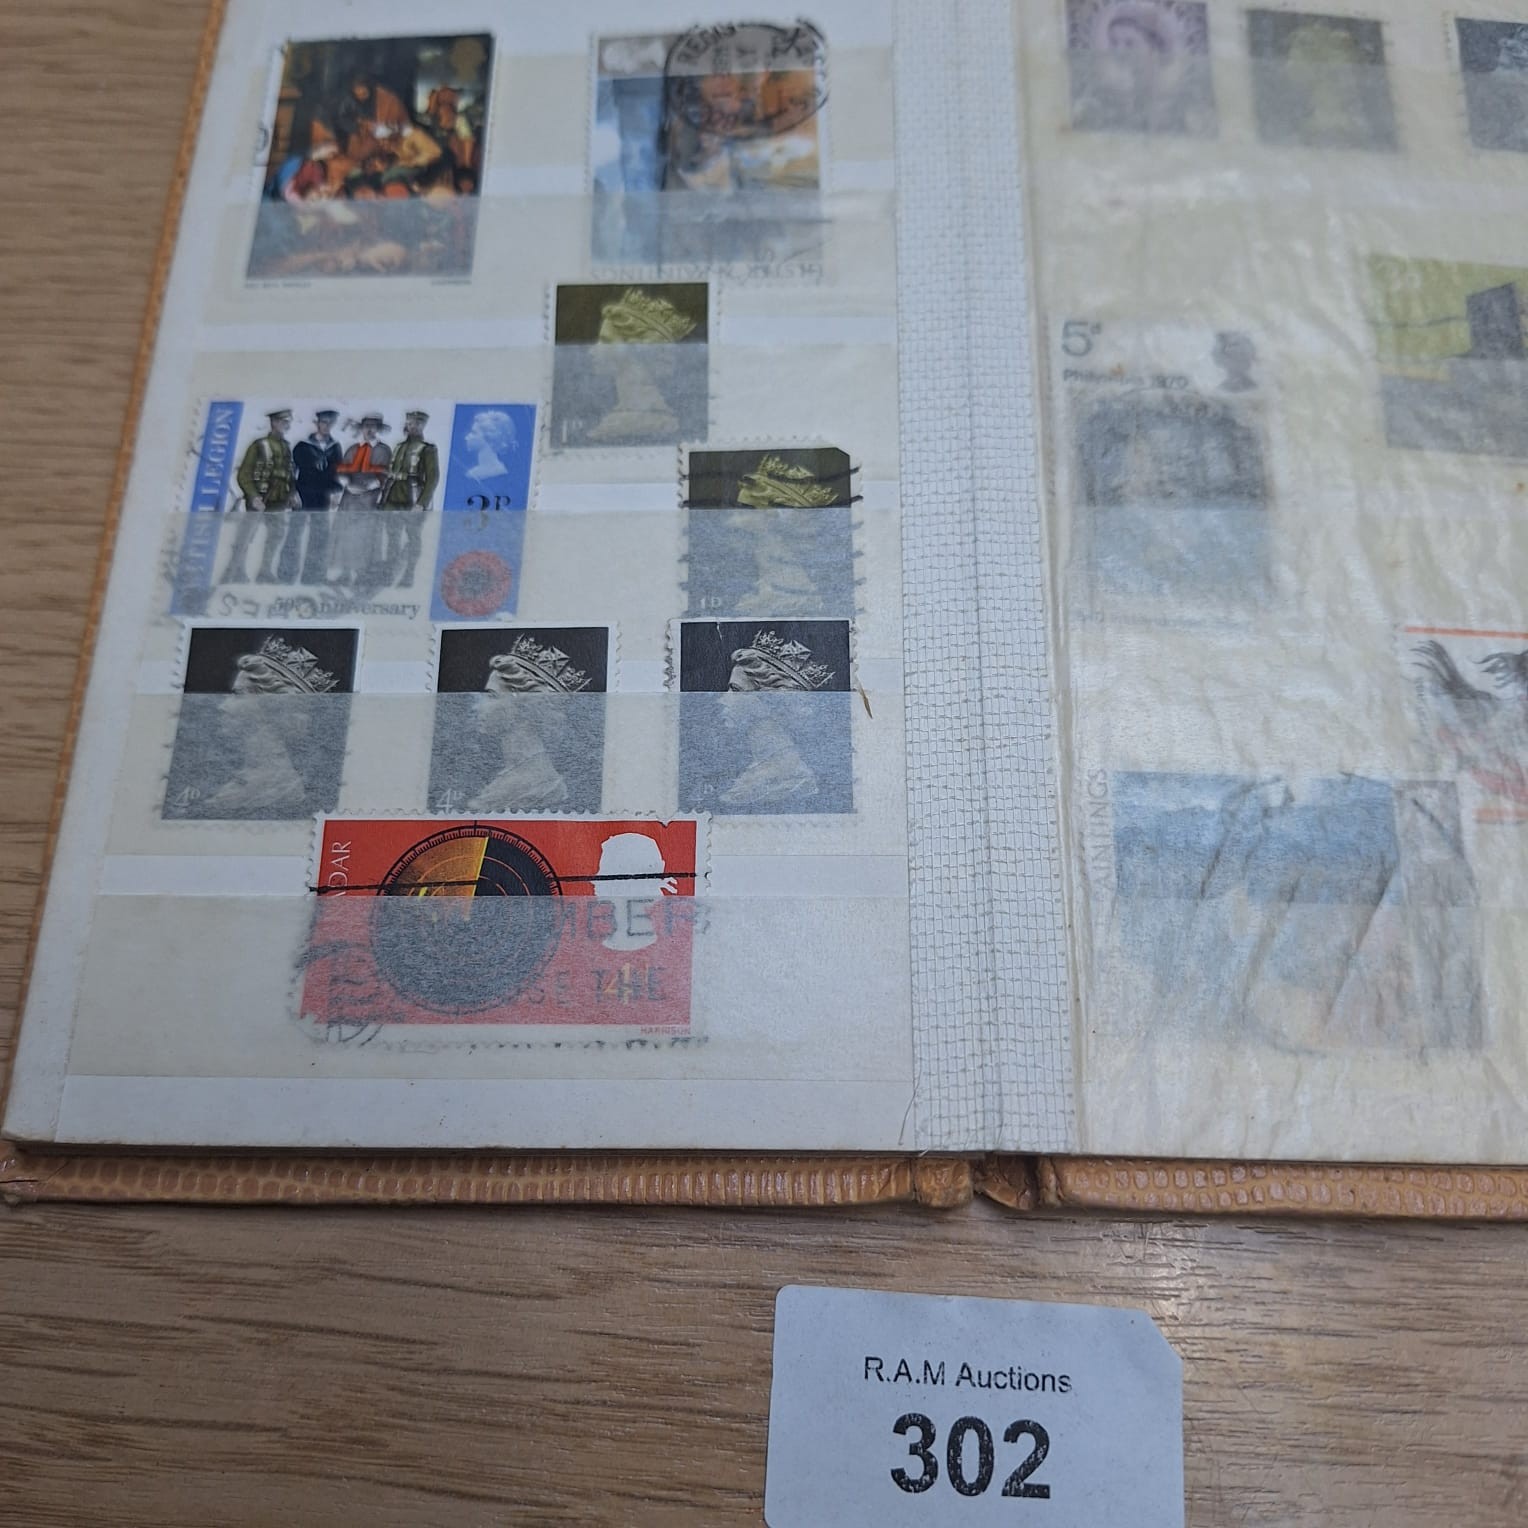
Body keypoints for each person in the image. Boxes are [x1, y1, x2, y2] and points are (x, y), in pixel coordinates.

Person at [221, 407, 298, 585]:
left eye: (288, 422)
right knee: (245, 537)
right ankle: (235, 572)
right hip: (259, 499)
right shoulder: (259, 445)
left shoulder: (286, 447)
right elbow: (244, 474)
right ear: (274, 423)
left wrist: (293, 493)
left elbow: (290, 474)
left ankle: (265, 572)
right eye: (283, 422)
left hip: (279, 501)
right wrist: (253, 496)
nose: (287, 425)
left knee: (276, 536)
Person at [380, 410, 439, 585]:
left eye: (418, 423)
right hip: (393, 496)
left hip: (413, 498)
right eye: (411, 423)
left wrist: (422, 503)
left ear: (423, 425)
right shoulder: (399, 446)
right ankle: (389, 573)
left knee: (413, 537)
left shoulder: (427, 449)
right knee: (392, 537)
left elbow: (433, 478)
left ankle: (409, 573)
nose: (413, 426)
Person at [283, 408, 342, 583]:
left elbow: (335, 473)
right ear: (317, 423)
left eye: (330, 423)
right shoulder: (302, 446)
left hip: (322, 497)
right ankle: (286, 574)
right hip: (303, 495)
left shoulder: (335, 447)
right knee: (295, 533)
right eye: (324, 422)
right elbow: (291, 472)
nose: (326, 426)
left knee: (320, 535)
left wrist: (335, 493)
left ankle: (313, 576)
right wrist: (292, 492)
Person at [333, 412, 391, 583]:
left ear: (378, 429)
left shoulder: (383, 450)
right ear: (362, 429)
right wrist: (346, 483)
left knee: (365, 535)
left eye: (373, 427)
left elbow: (385, 474)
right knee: (346, 534)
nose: (369, 430)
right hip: (349, 498)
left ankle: (362, 573)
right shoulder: (353, 449)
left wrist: (370, 485)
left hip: (369, 498)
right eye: (366, 426)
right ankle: (345, 573)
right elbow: (342, 470)